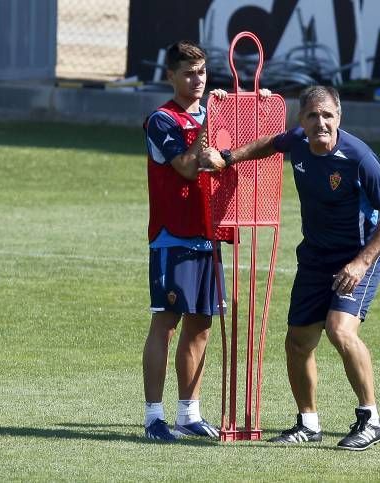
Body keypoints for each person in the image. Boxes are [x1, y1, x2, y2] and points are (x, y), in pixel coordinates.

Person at [202, 85, 380, 451]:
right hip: (314, 257)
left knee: (339, 330)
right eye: (312, 115)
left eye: (327, 115)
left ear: (339, 116)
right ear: (302, 120)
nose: (321, 122)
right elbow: (267, 144)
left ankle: (371, 419)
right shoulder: (298, 141)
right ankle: (308, 422)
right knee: (297, 342)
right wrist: (228, 157)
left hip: (357, 257)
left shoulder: (359, 157)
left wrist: (360, 262)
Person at [141, 39, 232, 442]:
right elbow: (184, 168)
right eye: (188, 73)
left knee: (201, 325)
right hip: (172, 235)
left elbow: (249, 139)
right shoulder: (162, 120)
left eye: (202, 72)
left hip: (207, 234)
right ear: (171, 76)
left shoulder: (213, 113)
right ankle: (153, 417)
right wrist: (211, 122)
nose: (197, 80)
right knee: (166, 324)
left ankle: (189, 414)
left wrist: (253, 103)